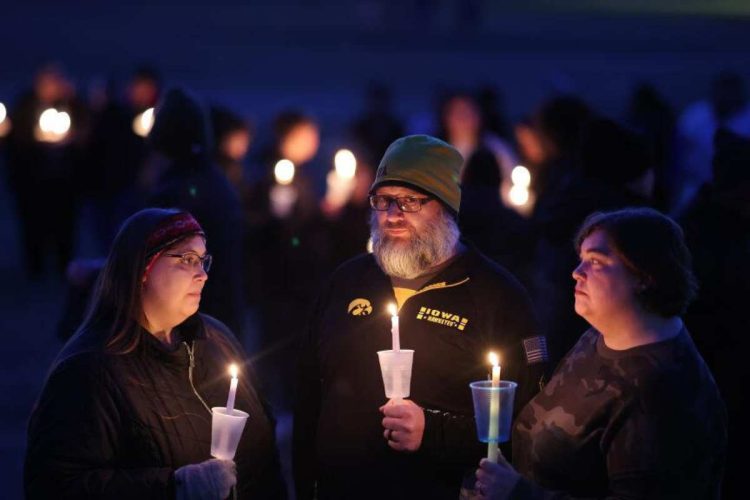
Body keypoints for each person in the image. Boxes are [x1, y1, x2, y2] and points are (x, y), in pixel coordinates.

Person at [293, 135, 548, 499]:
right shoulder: (346, 283)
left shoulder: (497, 297)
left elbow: (525, 427)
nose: (393, 215)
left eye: (411, 201)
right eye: (382, 200)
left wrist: (434, 432)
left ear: (446, 205)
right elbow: (308, 402)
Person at [25, 208, 284, 499]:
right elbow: (56, 486)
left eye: (203, 261)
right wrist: (174, 487)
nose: (202, 275)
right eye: (187, 260)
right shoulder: (90, 370)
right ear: (142, 270)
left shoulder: (217, 340)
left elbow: (265, 454)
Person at [474, 207, 726, 500]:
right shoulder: (601, 333)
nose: (576, 273)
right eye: (581, 259)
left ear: (644, 275)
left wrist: (519, 493)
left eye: (596, 261)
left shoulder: (662, 392)